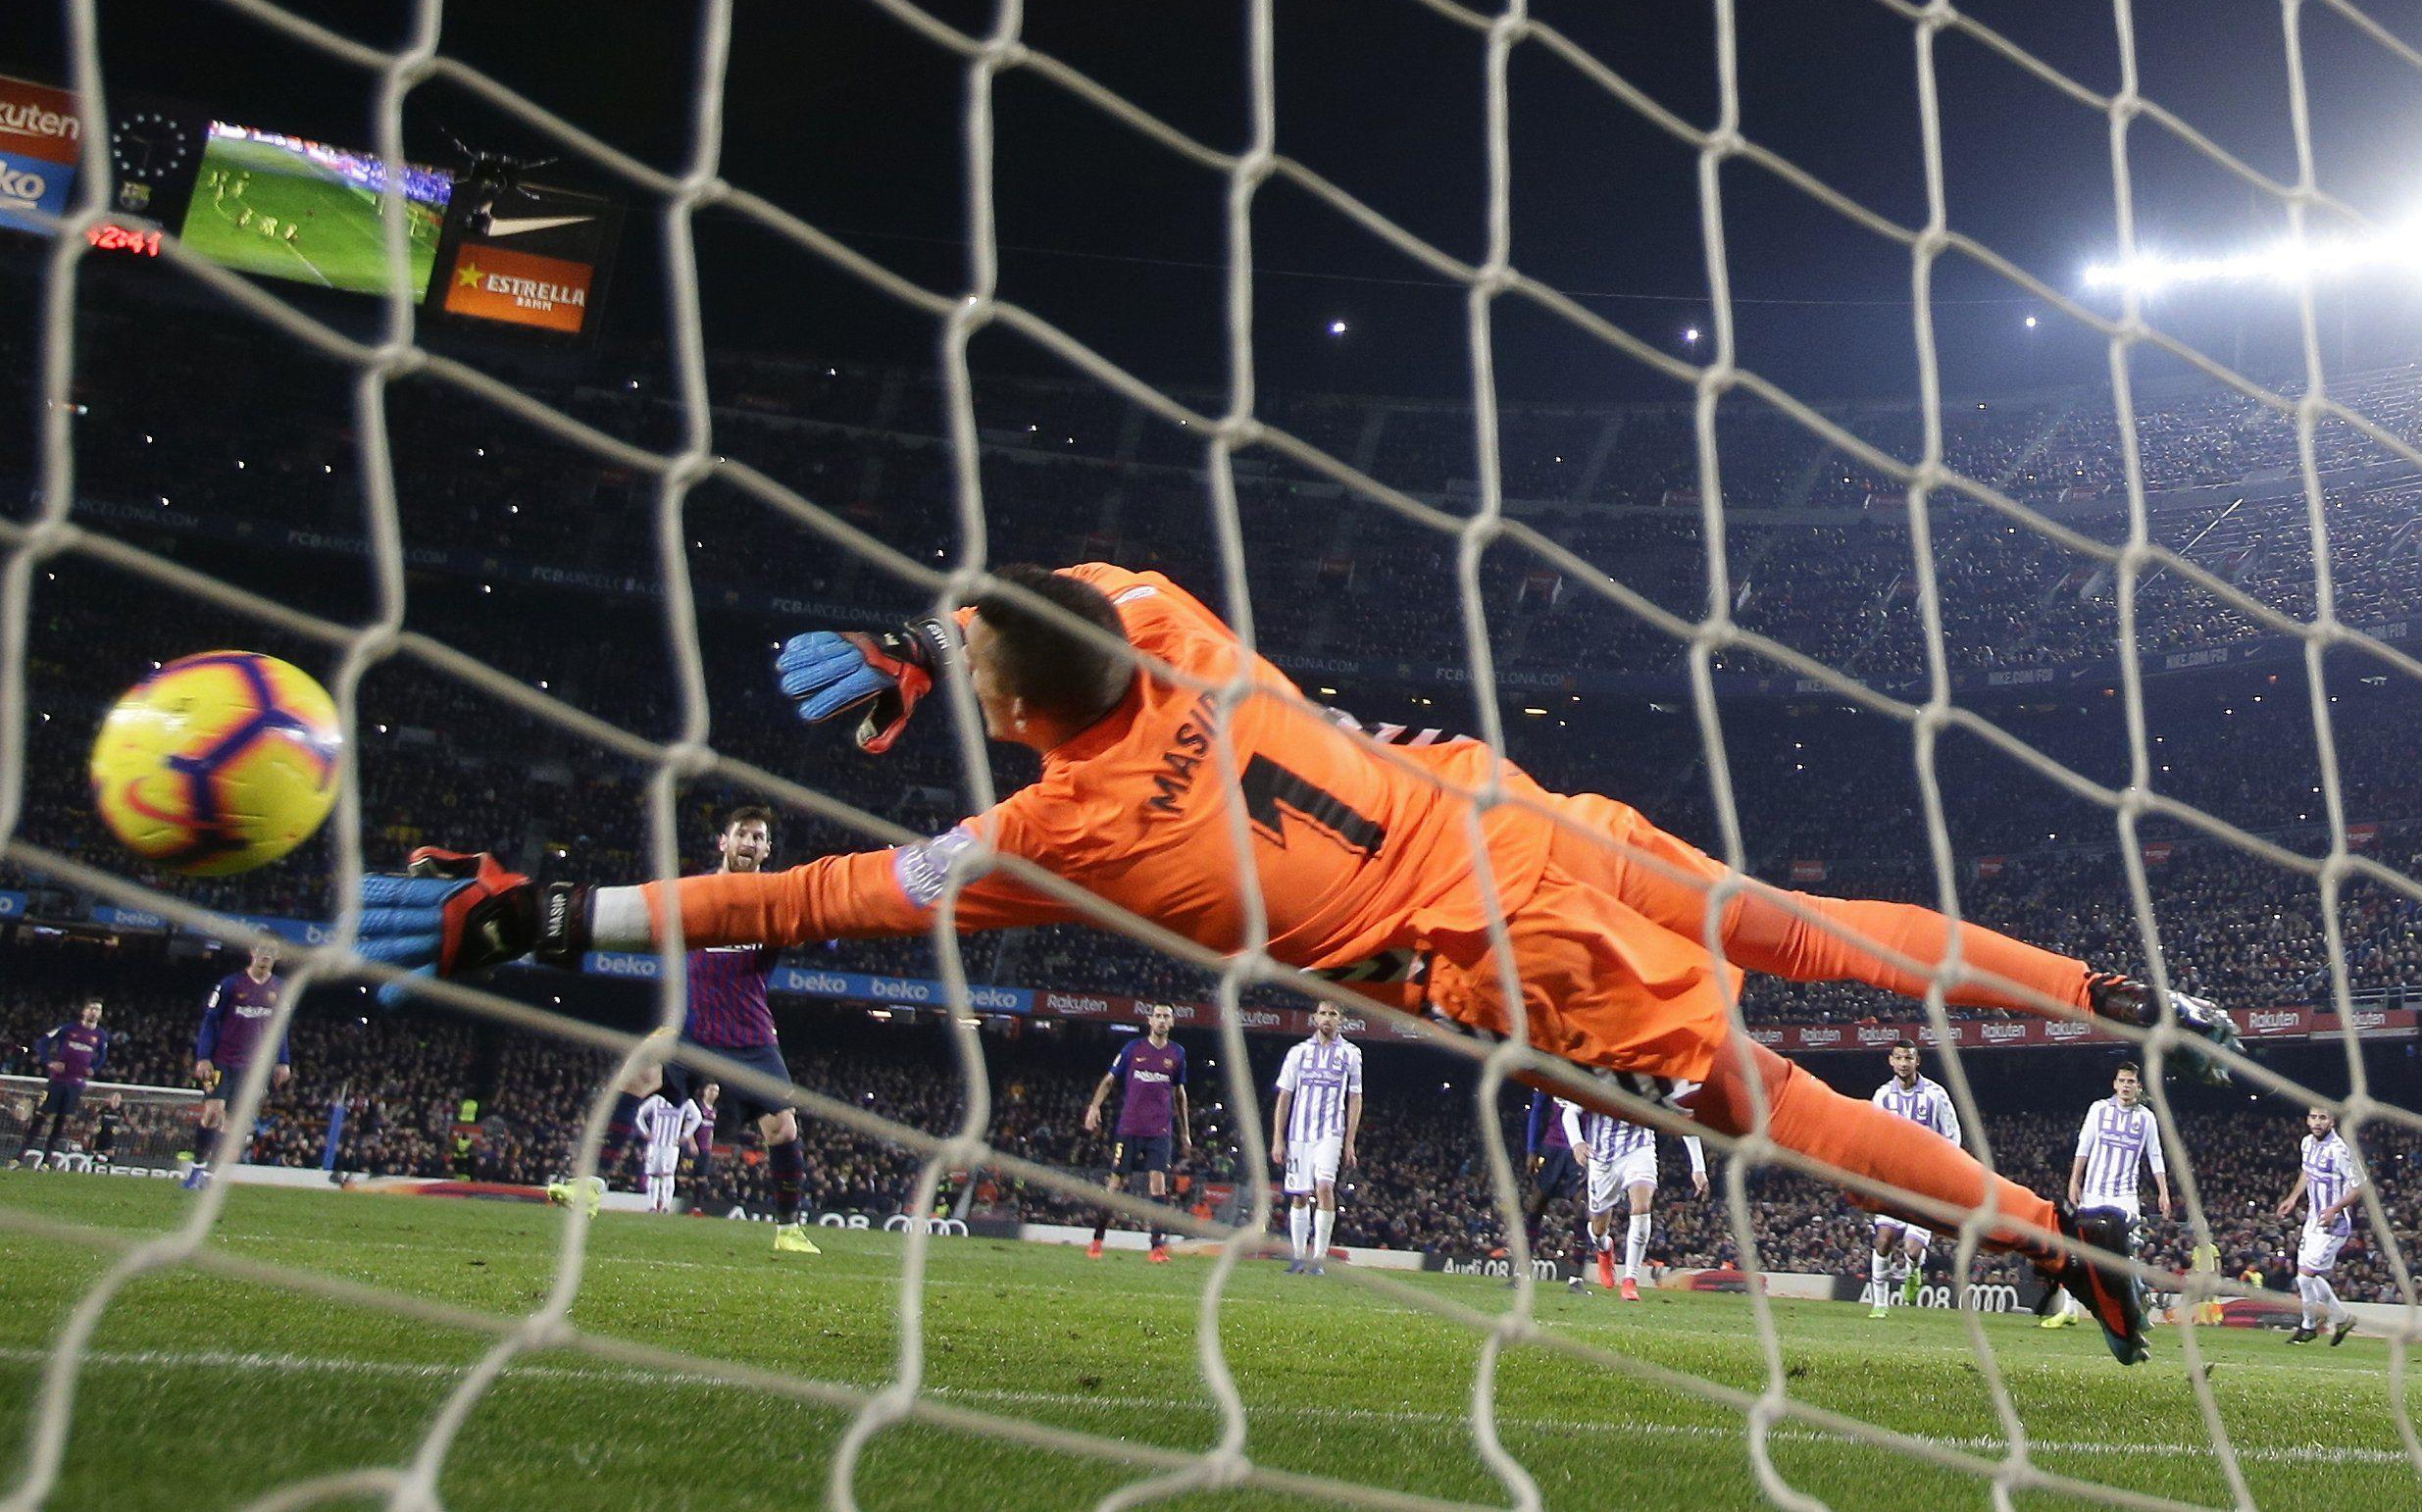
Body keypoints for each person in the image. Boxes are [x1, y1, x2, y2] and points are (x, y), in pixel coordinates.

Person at [361, 563, 2245, 1362]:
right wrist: (923, 639)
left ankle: (2041, 1229)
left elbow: (808, 899)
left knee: (1766, 1098)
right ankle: (2093, 989)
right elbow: (1070, 597)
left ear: (1020, 715)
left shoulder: (1059, 835)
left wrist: (554, 913)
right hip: (1499, 806)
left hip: (1489, 935)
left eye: (975, 686)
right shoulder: (1168, 623)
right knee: (1787, 920)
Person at [546, 806, 819, 1255]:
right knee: (635, 1076)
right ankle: (590, 1185)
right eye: (743, 834)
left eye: (759, 837)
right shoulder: (693, 893)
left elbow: (814, 928)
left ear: (767, 850)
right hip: (690, 1028)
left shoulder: (773, 899)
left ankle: (789, 1227)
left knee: (782, 1129)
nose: (750, 843)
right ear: (723, 842)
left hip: (748, 1033)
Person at [2044, 1061, 2171, 1331]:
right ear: (2115, 1084)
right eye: (2122, 1081)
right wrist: (2074, 1181)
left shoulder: (2146, 1118)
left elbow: (2155, 1155)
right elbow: (2084, 1145)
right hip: (2093, 1193)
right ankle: (2068, 1310)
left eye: (2131, 1082)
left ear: (2138, 1086)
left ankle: (2137, 1311)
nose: (2126, 1086)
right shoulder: (2098, 1110)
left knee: (2128, 1253)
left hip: (2124, 1196)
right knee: (2077, 1251)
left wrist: (2163, 1192)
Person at [1081, 1002, 1190, 1263]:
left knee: (1158, 1182)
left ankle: (1156, 1247)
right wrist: (1093, 1107)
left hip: (1160, 1130)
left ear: (1172, 1022)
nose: (1162, 1021)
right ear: (1149, 1021)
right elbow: (1109, 1080)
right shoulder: (1133, 1049)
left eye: (1167, 1017)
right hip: (1130, 1128)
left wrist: (1185, 1132)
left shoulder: (1177, 1053)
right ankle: (1097, 1240)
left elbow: (1180, 1094)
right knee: (1116, 1183)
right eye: (1158, 1016)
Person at [1572, 1101, 1704, 1298]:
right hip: (1602, 1158)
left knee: (1642, 1206)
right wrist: (1576, 1142)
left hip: (1640, 1148)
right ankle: (1604, 1248)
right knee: (1598, 1228)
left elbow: (1683, 1117)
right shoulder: (1600, 1074)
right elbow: (1570, 1112)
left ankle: (1629, 1281)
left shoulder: (1650, 1080)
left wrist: (1699, 1167)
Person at [1868, 1041, 1961, 1318]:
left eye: (1908, 1058)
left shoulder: (1935, 1095)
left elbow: (1953, 1135)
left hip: (1924, 1186)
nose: (1904, 1063)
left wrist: (1943, 1169)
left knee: (1911, 1248)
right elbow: (1873, 1135)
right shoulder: (1883, 1096)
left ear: (1917, 1061)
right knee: (1883, 1240)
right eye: (1898, 1058)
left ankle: (1913, 1270)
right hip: (1893, 1183)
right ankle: (1880, 1303)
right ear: (1891, 1061)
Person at [186, 946, 290, 1188]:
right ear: (252, 952)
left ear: (278, 956)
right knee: (212, 1113)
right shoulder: (230, 984)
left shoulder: (281, 989)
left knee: (232, 1122)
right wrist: (203, 1057)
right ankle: (197, 1168)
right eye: (262, 950)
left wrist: (283, 1061)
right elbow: (209, 1022)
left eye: (271, 951)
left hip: (253, 1068)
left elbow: (280, 1029)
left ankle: (210, 1176)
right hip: (220, 1062)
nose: (266, 955)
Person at [1272, 1001, 1363, 1275]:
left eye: (1333, 1014)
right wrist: (1278, 1137)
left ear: (1340, 1019)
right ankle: (1299, 1256)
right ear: (1314, 1018)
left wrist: (1349, 1141)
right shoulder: (1298, 1053)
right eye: (1323, 1013)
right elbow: (1284, 1096)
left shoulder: (1351, 1053)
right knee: (1299, 1195)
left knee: (1324, 1188)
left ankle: (1319, 1259)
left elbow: (1355, 1097)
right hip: (1299, 1134)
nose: (1327, 1018)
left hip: (1330, 1133)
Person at [2276, 1105, 2364, 1346]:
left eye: (2322, 1118)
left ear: (2332, 1122)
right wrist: (2293, 1198)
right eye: (2313, 1117)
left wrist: (2334, 1209)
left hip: (2334, 1224)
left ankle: (2309, 1327)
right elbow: (2307, 1173)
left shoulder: (2340, 1151)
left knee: (2306, 1275)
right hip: (2314, 1220)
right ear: (2307, 1120)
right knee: (2305, 1277)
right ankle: (2341, 1319)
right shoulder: (2307, 1143)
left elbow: (2359, 1186)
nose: (2317, 1122)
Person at [17, 999, 108, 1168]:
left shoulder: (100, 1035)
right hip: (58, 1081)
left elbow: (102, 1055)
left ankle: (47, 1161)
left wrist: (94, 1068)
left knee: (61, 1121)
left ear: (100, 1014)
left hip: (76, 1084)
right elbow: (41, 1042)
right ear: (84, 1011)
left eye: (98, 1009)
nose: (94, 1012)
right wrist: (49, 1062)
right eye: (91, 1008)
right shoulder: (69, 1028)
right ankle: (19, 1156)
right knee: (41, 1117)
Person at [1519, 1087, 1586, 1253]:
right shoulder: (1552, 1071)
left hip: (1580, 1147)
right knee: (1536, 1203)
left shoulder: (1591, 1071)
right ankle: (1522, 1270)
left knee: (1583, 1208)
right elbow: (1538, 1107)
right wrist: (1532, 1149)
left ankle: (1576, 1275)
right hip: (1552, 1146)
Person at [635, 1091, 706, 1215]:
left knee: (668, 1174)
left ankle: (666, 1205)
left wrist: (685, 1135)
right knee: (653, 1175)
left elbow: (697, 1117)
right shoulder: (657, 1099)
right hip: (655, 1144)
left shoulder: (684, 1100)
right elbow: (639, 1115)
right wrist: (645, 1132)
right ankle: (652, 1205)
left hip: (671, 1145)